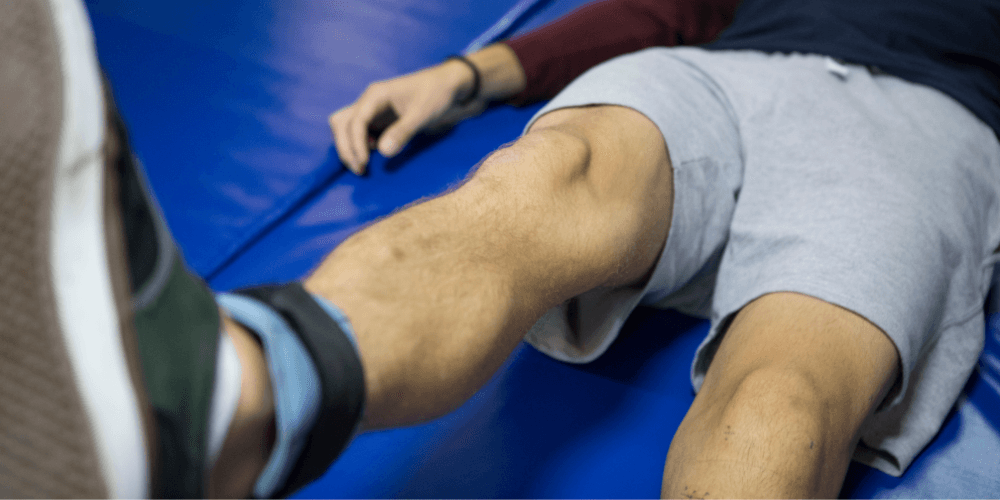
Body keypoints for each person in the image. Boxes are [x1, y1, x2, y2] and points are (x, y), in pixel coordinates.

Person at [2, 0, 998, 499]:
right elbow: (667, 9)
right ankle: (222, 408)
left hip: (917, 126)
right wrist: (470, 72)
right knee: (544, 181)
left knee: (781, 394)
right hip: (727, 74)